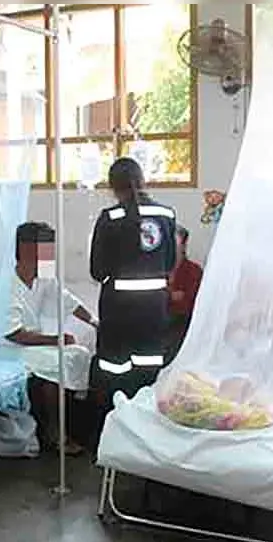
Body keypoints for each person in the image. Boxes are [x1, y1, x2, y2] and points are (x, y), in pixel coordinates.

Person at [89, 157, 177, 406]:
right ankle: (146, 427)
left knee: (115, 370)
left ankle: (113, 425)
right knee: (149, 368)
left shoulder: (110, 218)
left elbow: (97, 270)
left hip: (119, 310)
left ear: (112, 186)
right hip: (154, 309)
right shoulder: (166, 215)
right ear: (142, 180)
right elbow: (170, 262)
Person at [4, 221, 97, 455]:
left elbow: (65, 298)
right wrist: (55, 339)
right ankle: (55, 433)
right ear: (26, 250)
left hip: (31, 342)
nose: (51, 254)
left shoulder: (43, 275)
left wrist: (95, 322)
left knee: (77, 354)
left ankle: (67, 424)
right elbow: (14, 334)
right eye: (46, 248)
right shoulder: (6, 284)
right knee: (59, 363)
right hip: (8, 346)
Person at [166, 226, 203, 363]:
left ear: (183, 245)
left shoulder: (194, 271)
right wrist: (170, 296)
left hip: (180, 324)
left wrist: (164, 296)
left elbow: (187, 303)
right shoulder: (155, 269)